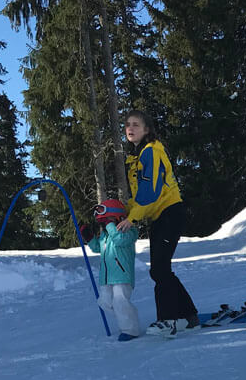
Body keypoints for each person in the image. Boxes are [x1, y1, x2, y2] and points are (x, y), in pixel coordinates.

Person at [116, 110, 199, 337]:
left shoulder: (151, 152)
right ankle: (189, 316)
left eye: (136, 125)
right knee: (161, 270)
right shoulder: (139, 154)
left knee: (160, 269)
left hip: (169, 212)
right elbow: (142, 195)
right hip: (160, 214)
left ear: (147, 130)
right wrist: (125, 210)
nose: (130, 128)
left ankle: (168, 320)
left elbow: (150, 193)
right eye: (127, 125)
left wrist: (131, 218)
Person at [80, 199, 142, 341]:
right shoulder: (106, 235)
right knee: (105, 302)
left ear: (117, 217)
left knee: (120, 302)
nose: (105, 224)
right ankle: (128, 316)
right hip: (107, 277)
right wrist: (88, 237)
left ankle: (130, 329)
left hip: (122, 275)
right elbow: (98, 248)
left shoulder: (130, 231)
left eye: (107, 220)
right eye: (103, 222)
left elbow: (120, 240)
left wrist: (110, 225)